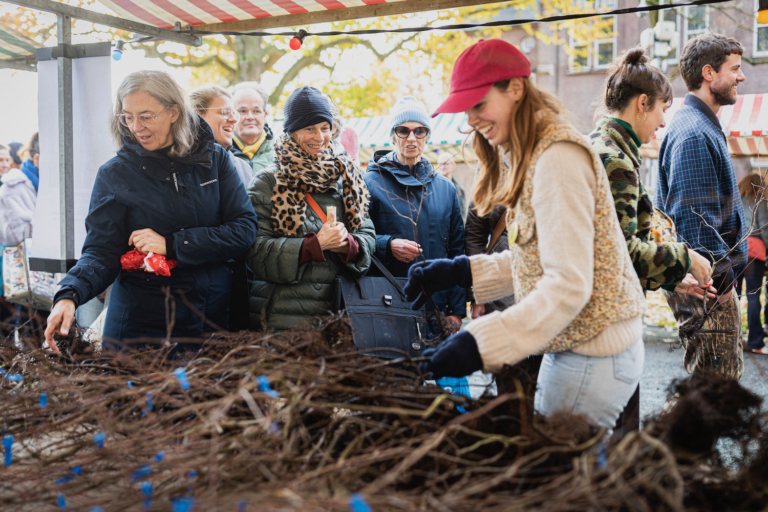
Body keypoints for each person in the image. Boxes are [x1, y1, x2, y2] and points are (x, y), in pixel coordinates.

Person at [406, 39, 646, 429]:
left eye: (479, 104)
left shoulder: (556, 157)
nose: (471, 119)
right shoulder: (533, 154)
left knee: (555, 466)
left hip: (593, 352)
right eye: (467, 109)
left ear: (516, 88)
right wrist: (461, 272)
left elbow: (567, 285)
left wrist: (479, 342)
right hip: (575, 345)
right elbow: (537, 255)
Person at [44, 70, 258, 352]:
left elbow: (244, 229)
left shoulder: (215, 160)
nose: (136, 127)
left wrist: (172, 244)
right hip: (139, 326)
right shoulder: (114, 174)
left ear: (174, 112)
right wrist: (69, 294)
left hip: (208, 318)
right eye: (127, 117)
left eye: (146, 116)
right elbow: (101, 250)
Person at [246, 86, 376, 331]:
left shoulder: (346, 178)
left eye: (325, 128)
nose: (319, 137)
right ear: (292, 131)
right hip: (282, 321)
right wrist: (315, 245)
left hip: (339, 317)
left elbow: (368, 235)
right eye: (309, 128)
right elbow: (256, 252)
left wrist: (348, 244)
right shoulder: (267, 182)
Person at [655, 33, 747, 379]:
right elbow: (694, 221)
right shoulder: (694, 132)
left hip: (707, 281)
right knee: (714, 389)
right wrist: (721, 284)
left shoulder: (698, 125)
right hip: (706, 285)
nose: (741, 76)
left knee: (713, 387)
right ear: (709, 73)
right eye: (734, 69)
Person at [590, 47, 715, 299]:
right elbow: (621, 253)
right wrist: (687, 258)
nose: (663, 122)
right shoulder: (616, 161)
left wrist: (668, 279)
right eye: (663, 109)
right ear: (642, 103)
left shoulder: (601, 145)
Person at [364, 96, 465, 333]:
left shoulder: (446, 188)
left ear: (427, 136)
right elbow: (356, 238)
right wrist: (387, 245)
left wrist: (456, 308)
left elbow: (457, 250)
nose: (411, 138)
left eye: (419, 131)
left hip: (437, 305)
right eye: (403, 130)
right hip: (387, 304)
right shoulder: (369, 183)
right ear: (393, 136)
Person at [190, 85, 254, 186]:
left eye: (235, 114)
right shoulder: (176, 164)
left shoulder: (244, 169)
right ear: (196, 116)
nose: (234, 120)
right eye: (225, 112)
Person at [735, 174, 768, 354]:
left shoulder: (735, 199)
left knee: (733, 296)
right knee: (753, 296)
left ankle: (732, 339)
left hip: (736, 249)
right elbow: (764, 228)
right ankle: (755, 342)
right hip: (755, 251)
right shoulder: (760, 201)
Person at [464, 200, 514, 318]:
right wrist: (477, 297)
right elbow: (474, 239)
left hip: (548, 281)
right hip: (499, 290)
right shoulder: (490, 189)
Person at [0, 133, 39, 247]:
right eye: (1, 160)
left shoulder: (18, 183)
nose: (5, 165)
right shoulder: (11, 187)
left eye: (7, 160)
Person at [231, 82, 275, 174]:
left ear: (264, 115)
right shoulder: (218, 154)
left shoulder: (282, 154)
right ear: (231, 115)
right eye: (242, 111)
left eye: (256, 111)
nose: (250, 117)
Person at [436, 152, 466, 220]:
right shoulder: (431, 185)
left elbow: (462, 211)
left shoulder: (459, 187)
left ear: (453, 165)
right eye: (440, 164)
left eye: (445, 164)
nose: (442, 167)